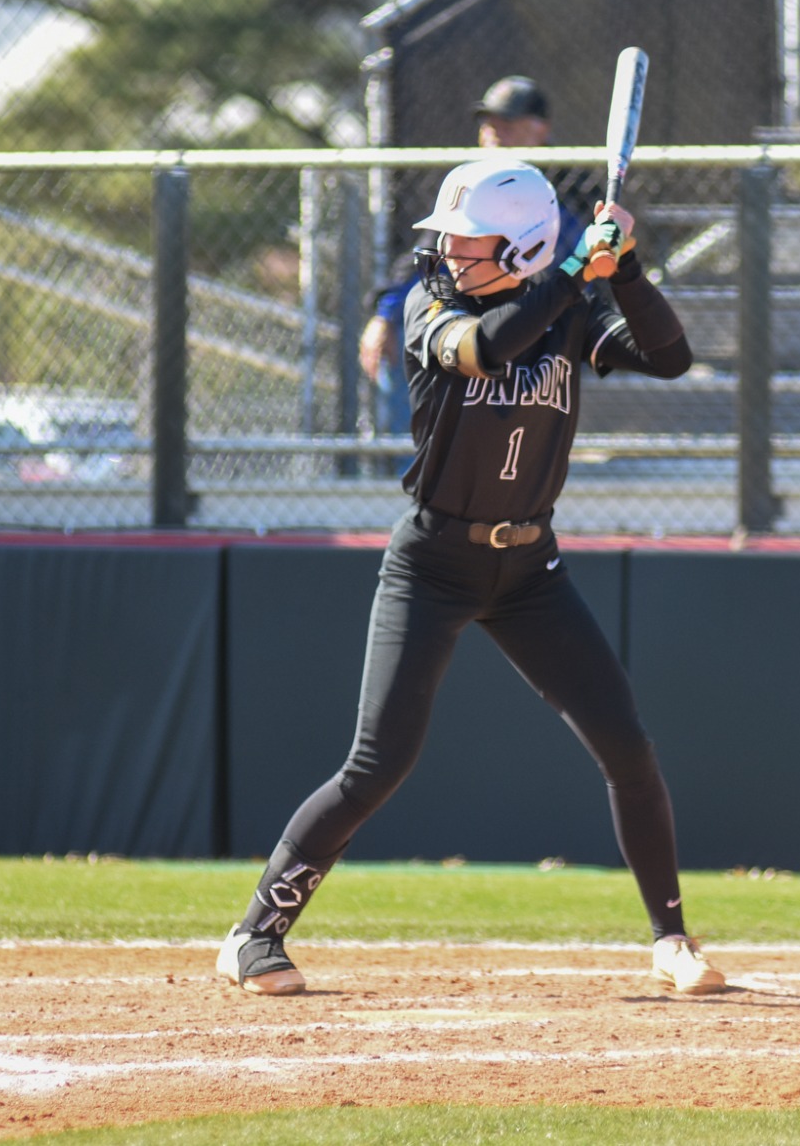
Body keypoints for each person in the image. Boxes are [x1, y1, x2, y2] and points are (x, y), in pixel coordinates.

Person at [219, 157, 724, 998]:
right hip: (434, 561)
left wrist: (623, 267)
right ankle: (253, 935)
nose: (451, 254)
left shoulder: (563, 312)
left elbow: (668, 356)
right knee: (378, 765)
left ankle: (671, 940)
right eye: (449, 240)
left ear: (521, 246)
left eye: (470, 241)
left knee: (627, 747)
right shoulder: (432, 308)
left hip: (530, 568)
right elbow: (489, 347)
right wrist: (569, 269)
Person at [358, 76, 588, 457]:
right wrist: (384, 316)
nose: (494, 132)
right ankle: (416, 466)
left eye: (508, 123)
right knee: (406, 326)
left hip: (540, 326)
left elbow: (578, 267)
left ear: (540, 130)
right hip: (472, 322)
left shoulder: (568, 184)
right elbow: (427, 257)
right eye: (488, 122)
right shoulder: (469, 182)